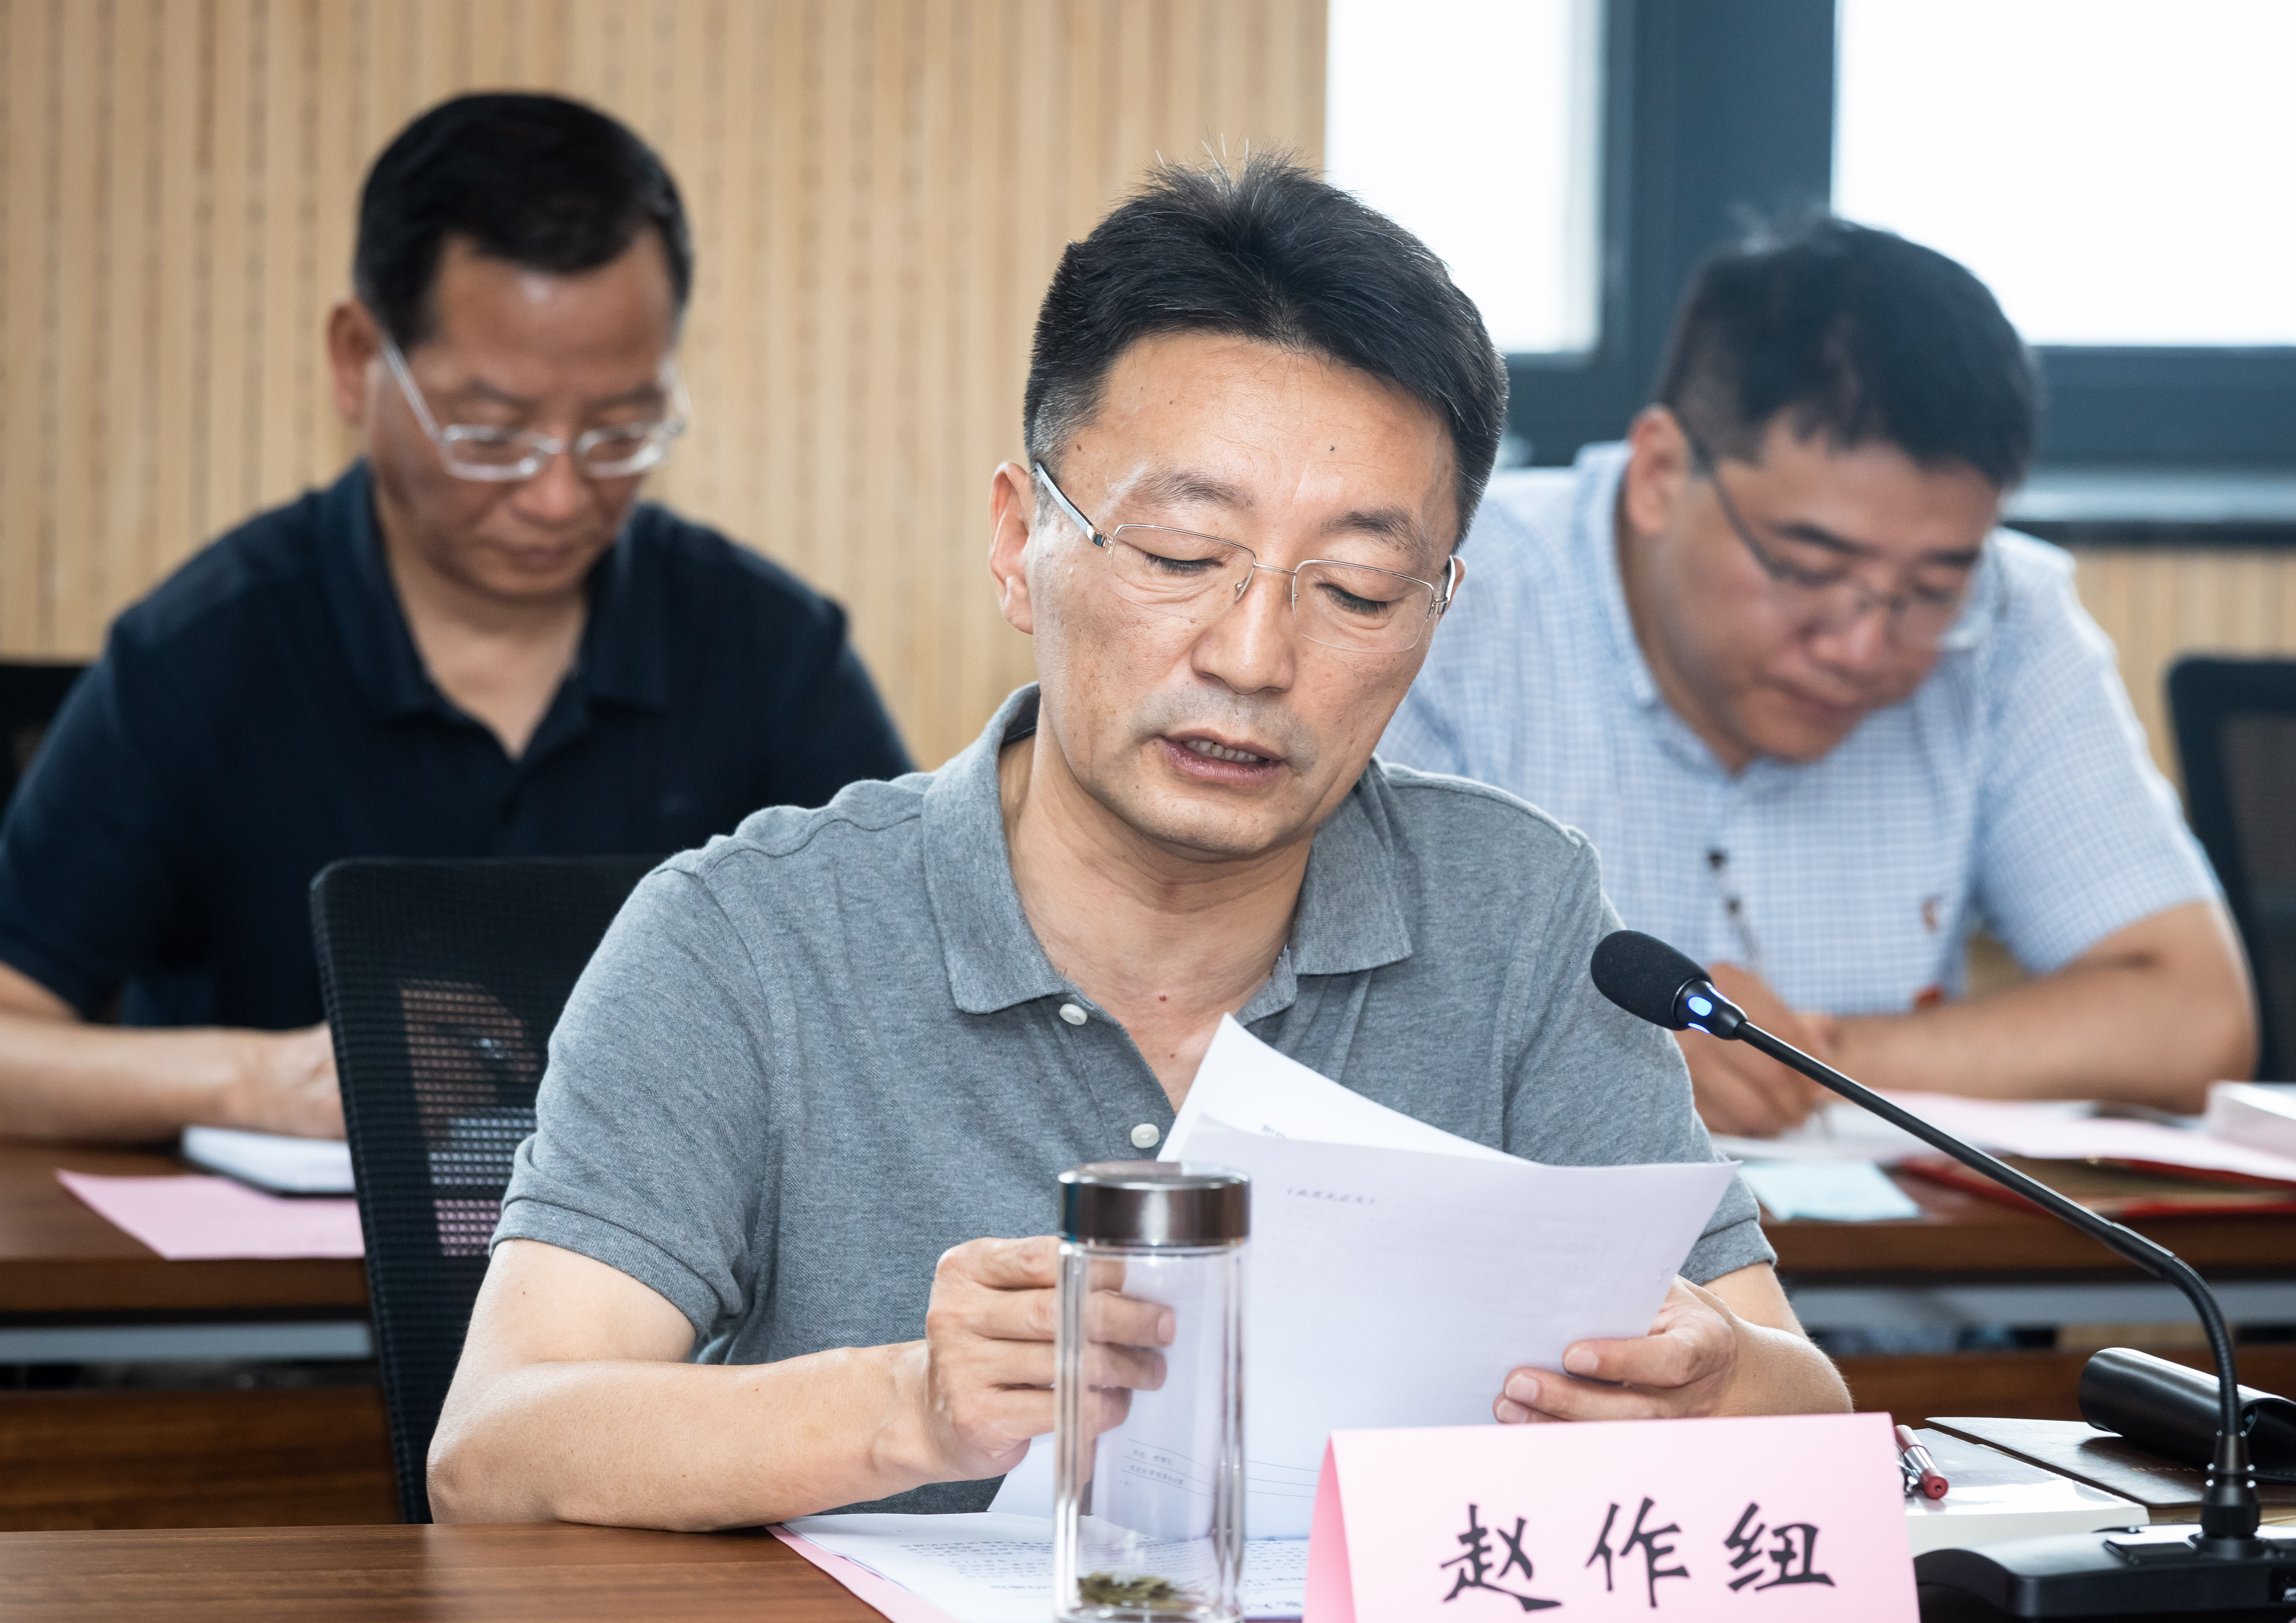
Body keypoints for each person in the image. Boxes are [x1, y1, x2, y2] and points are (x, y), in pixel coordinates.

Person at [426, 155, 1849, 1530]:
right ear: (1016, 541)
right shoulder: (747, 934)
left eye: (1358, 590)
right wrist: (906, 1410)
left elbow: (1798, 1398)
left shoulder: (1517, 912)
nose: (1253, 656)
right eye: (1178, 558)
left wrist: (1716, 1383)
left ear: (1437, 609)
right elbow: (494, 1446)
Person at [0, 93, 911, 1144]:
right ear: (358, 360)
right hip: (287, 1252)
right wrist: (258, 1080)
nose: (558, 497)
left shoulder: (769, 652)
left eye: (619, 432)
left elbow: (919, 1005)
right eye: (491, 435)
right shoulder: (203, 654)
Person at [1378, 219, 2255, 1138]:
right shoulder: (1443, 602)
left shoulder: (2005, 617)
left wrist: (1798, 1059)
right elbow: (1320, 1015)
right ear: (1661, 474)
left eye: (1929, 589)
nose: (1861, 646)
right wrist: (1589, 1055)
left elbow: (2194, 1016)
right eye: (1806, 567)